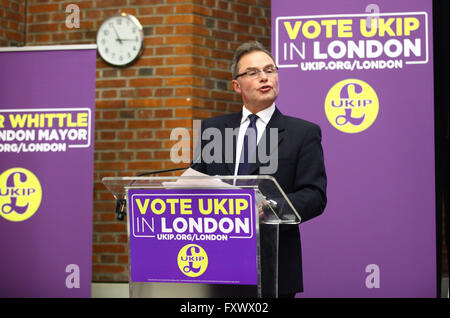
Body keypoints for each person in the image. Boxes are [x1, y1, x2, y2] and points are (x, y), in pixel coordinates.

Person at [191, 41, 327, 297]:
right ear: (236, 85)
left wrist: (270, 208)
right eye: (253, 72)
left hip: (272, 266)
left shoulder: (303, 133)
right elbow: (195, 184)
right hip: (214, 264)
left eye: (270, 70)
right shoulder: (213, 129)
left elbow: (314, 195)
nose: (264, 78)